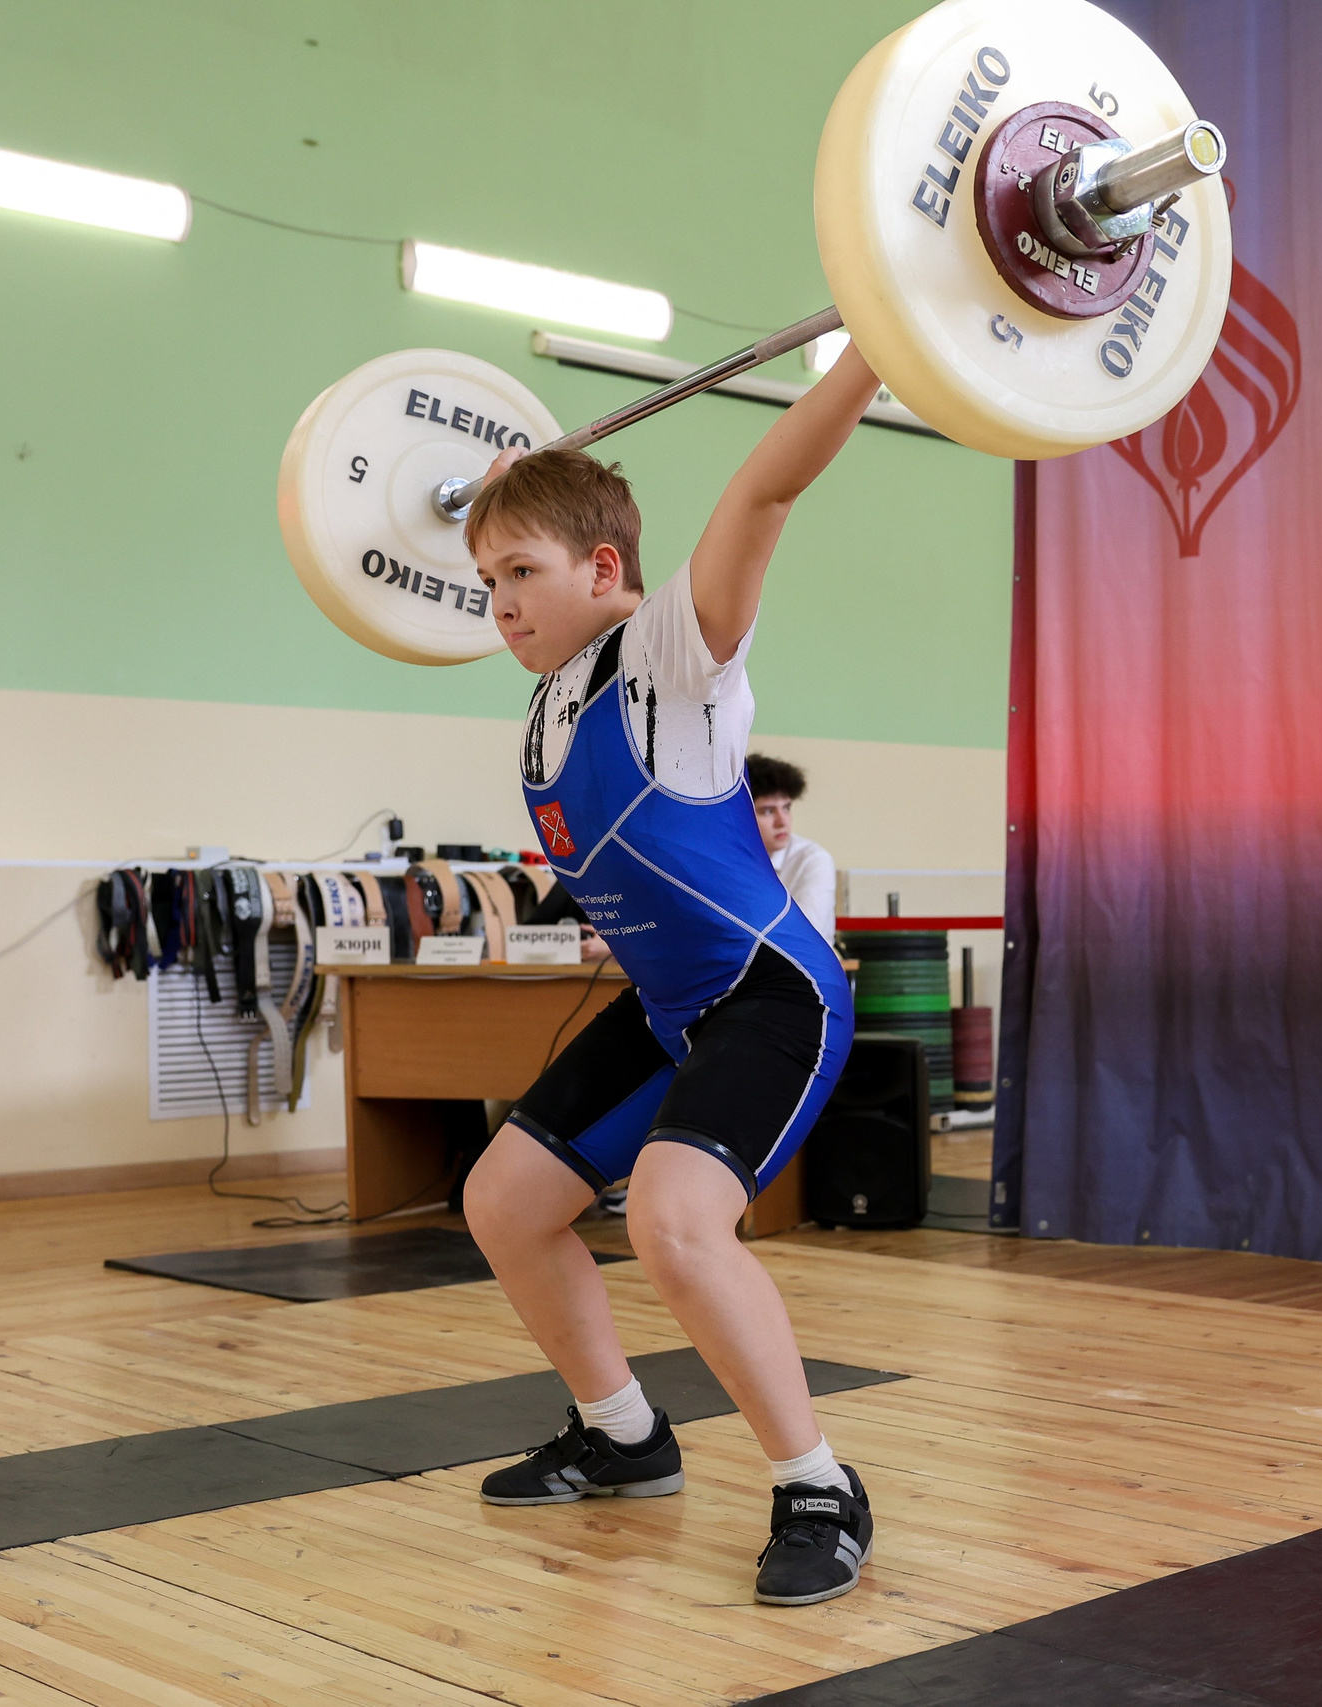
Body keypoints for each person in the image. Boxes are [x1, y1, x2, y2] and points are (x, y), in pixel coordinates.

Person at [457, 345, 884, 1607]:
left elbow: (758, 496)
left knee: (672, 1223)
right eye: (486, 583)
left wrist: (869, 356)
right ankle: (625, 1435)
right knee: (502, 1202)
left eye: (520, 575)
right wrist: (505, 504)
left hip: (771, 999)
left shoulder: (671, 663)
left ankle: (818, 1483)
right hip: (671, 1013)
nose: (499, 607)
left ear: (604, 571)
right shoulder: (544, 706)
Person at [746, 753, 836, 942]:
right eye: (768, 811)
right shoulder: (730, 859)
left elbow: (805, 937)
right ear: (742, 814)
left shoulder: (813, 859)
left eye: (786, 808)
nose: (782, 822)